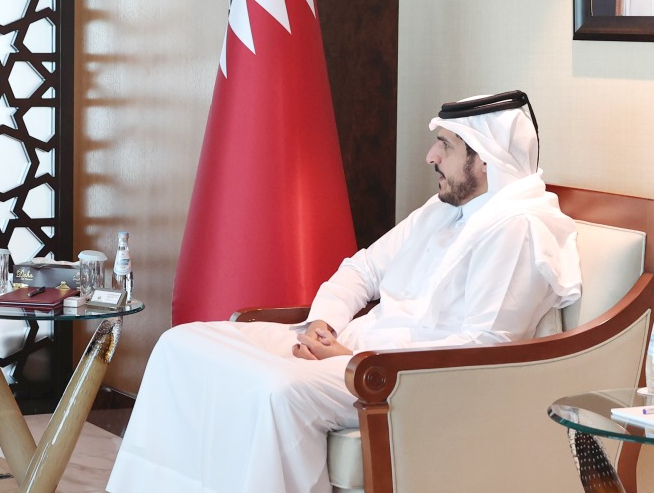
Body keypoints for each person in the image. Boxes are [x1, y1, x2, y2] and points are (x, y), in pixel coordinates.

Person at [106, 91, 582, 493]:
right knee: (181, 345)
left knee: (278, 390)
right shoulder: (441, 210)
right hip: (350, 351)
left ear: (487, 158)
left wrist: (352, 355)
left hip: (399, 378)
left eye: (445, 146)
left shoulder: (516, 230)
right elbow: (363, 269)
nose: (430, 157)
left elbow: (483, 350)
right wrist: (323, 324)